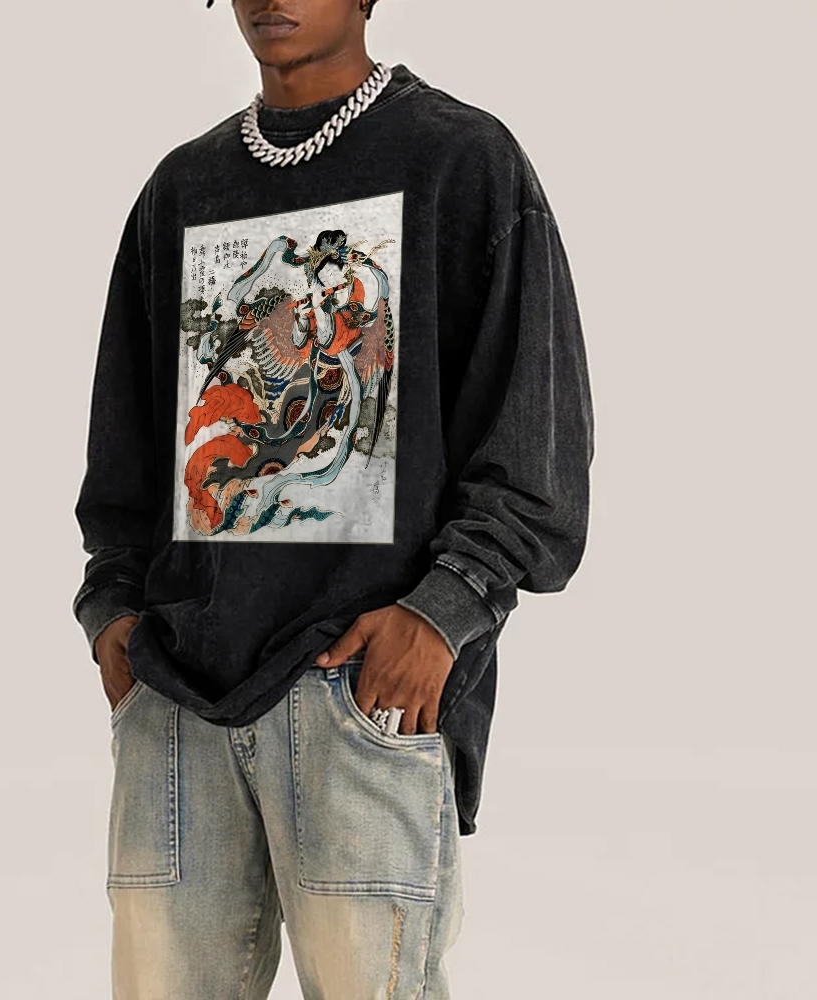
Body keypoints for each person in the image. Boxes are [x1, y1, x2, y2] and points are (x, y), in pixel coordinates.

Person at [72, 0, 594, 996]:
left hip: (360, 694)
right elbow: (125, 448)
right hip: (174, 700)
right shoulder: (181, 189)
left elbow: (538, 452)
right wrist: (112, 614)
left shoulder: (459, 161)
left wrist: (441, 614)